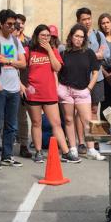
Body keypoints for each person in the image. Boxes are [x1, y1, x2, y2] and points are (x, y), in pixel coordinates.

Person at [21, 24, 71, 164]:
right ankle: (38, 152)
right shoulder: (28, 50)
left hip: (49, 93)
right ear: (36, 36)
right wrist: (21, 85)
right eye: (43, 35)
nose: (45, 38)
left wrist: (49, 50)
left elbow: (57, 67)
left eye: (48, 36)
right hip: (33, 93)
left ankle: (66, 152)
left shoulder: (53, 50)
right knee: (36, 123)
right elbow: (19, 66)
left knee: (56, 123)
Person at [0, 9, 27, 169]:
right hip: (0, 89)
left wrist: (8, 61)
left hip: (14, 88)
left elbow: (23, 63)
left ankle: (7, 155)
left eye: (14, 24)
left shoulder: (16, 41)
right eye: (8, 24)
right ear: (1, 24)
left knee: (12, 125)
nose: (12, 27)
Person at [58, 24, 101, 163]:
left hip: (83, 91)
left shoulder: (89, 53)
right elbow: (57, 71)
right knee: (69, 120)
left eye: (82, 37)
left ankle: (91, 149)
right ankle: (72, 147)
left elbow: (95, 72)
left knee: (87, 122)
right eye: (76, 36)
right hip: (66, 90)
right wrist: (58, 88)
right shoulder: (64, 53)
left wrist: (89, 88)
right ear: (71, 36)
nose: (79, 39)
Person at [75, 8, 107, 152]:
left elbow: (105, 54)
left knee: (94, 109)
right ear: (78, 21)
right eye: (84, 19)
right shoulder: (77, 35)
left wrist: (91, 55)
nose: (87, 21)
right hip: (81, 79)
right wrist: (95, 54)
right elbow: (77, 53)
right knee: (80, 111)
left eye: (89, 18)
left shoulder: (99, 35)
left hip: (97, 78)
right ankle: (81, 142)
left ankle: (94, 140)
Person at [13, 12, 33, 159]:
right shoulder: (8, 42)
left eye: (20, 24)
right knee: (10, 117)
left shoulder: (29, 42)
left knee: (24, 117)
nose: (18, 27)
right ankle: (7, 146)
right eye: (15, 24)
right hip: (11, 82)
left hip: (27, 84)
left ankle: (24, 145)